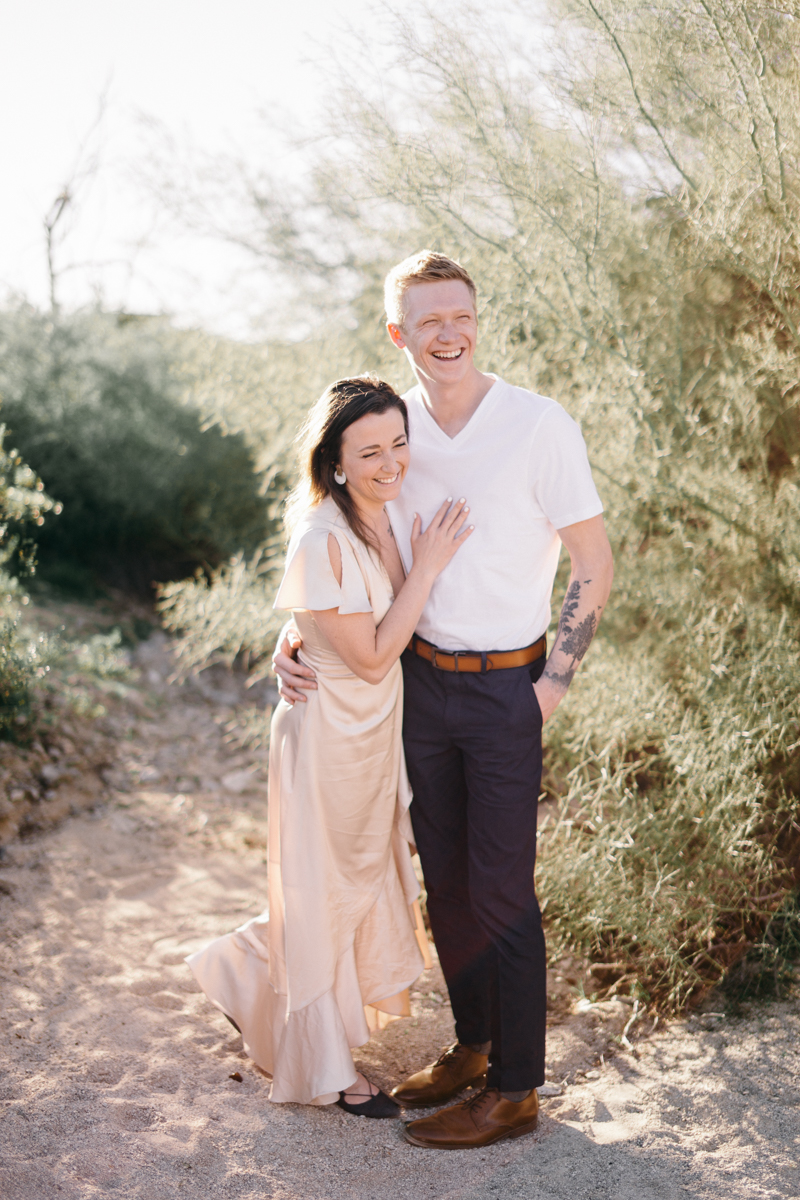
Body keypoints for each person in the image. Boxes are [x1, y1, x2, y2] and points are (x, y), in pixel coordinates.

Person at [274, 250, 614, 1149]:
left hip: (511, 686)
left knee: (504, 889)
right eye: (427, 321)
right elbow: (344, 530)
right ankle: (474, 1045)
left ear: (477, 317)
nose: (448, 332)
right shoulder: (395, 430)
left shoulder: (539, 427)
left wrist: (551, 688)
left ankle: (515, 1091)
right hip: (417, 683)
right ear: (399, 335)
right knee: (448, 881)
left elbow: (594, 560)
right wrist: (299, 632)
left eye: (459, 314)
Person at [187, 375, 473, 1118]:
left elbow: (344, 629)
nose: (391, 463)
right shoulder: (322, 534)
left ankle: (242, 964)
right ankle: (325, 1069)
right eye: (370, 451)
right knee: (326, 885)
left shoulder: (381, 514)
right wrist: (432, 564)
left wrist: (299, 635)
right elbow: (376, 653)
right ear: (336, 462)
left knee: (351, 878)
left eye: (399, 444)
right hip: (327, 734)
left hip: (372, 735)